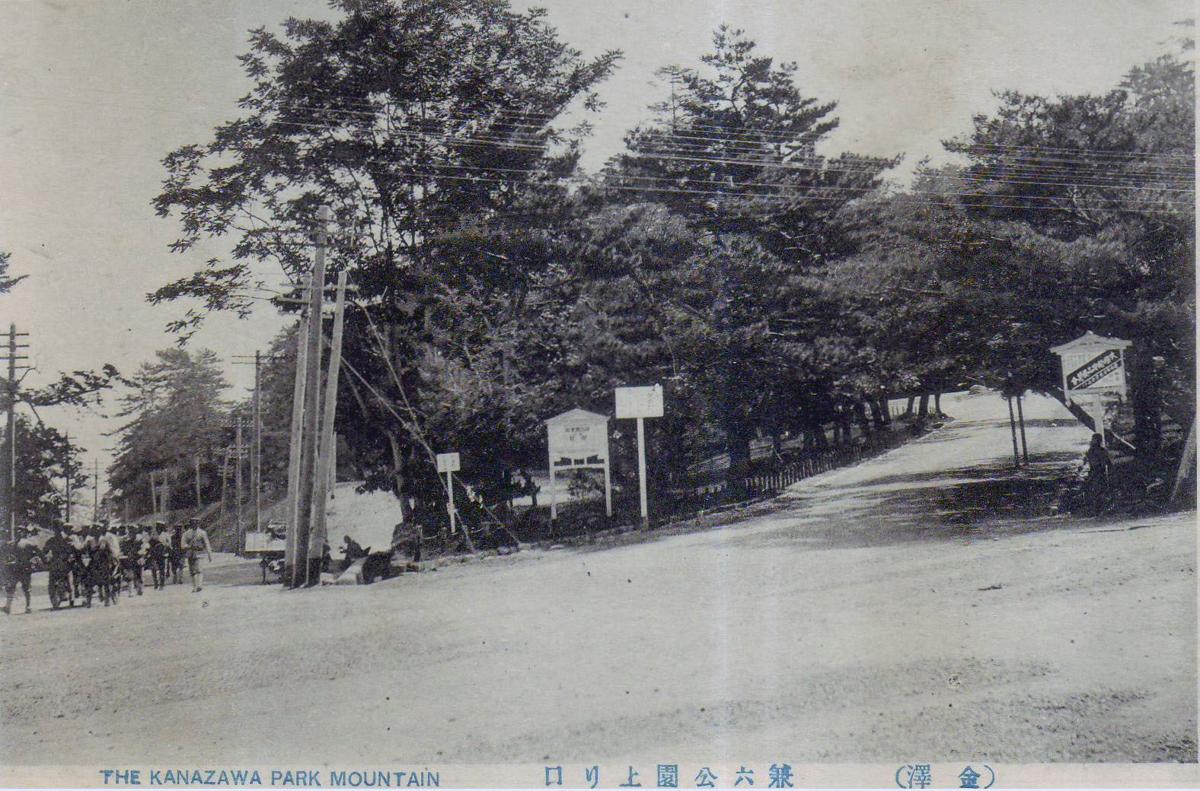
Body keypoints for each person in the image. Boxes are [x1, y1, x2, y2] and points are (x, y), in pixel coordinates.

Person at [1, 527, 39, 614]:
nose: (18, 532)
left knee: (26, 588)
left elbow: (36, 553)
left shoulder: (28, 543)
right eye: (17, 531)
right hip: (15, 568)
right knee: (12, 587)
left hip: (24, 568)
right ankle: (8, 607)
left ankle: (28, 606)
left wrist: (33, 561)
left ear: (24, 533)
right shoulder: (12, 544)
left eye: (21, 531)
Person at [43, 524, 75, 608]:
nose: (57, 532)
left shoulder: (67, 540)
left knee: (68, 581)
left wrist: (70, 558)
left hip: (64, 563)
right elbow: (45, 550)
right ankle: (56, 599)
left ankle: (71, 598)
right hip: (57, 563)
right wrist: (46, 557)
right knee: (52, 582)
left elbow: (72, 551)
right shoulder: (52, 540)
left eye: (58, 529)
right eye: (56, 530)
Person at [1082, 433, 1113, 515]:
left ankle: (1096, 510)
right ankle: (1097, 509)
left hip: (1097, 473)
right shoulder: (1096, 451)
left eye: (1094, 440)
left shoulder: (1095, 451)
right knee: (1097, 492)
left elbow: (1104, 464)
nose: (1092, 441)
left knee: (1096, 492)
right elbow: (1108, 464)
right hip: (1096, 473)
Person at [181, 518, 212, 593]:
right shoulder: (186, 534)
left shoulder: (202, 533)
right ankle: (195, 586)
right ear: (190, 524)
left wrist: (209, 554)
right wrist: (188, 547)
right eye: (192, 523)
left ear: (198, 524)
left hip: (200, 553)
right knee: (192, 571)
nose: (194, 524)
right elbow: (182, 545)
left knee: (199, 569)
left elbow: (207, 543)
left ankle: (200, 585)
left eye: (196, 523)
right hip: (190, 553)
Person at [148, 525, 169, 590]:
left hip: (162, 554)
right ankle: (155, 582)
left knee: (162, 570)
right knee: (153, 569)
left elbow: (169, 544)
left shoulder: (165, 535)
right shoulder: (153, 534)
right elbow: (149, 542)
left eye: (160, 527)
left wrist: (163, 544)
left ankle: (162, 584)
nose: (158, 529)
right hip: (154, 554)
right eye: (157, 527)